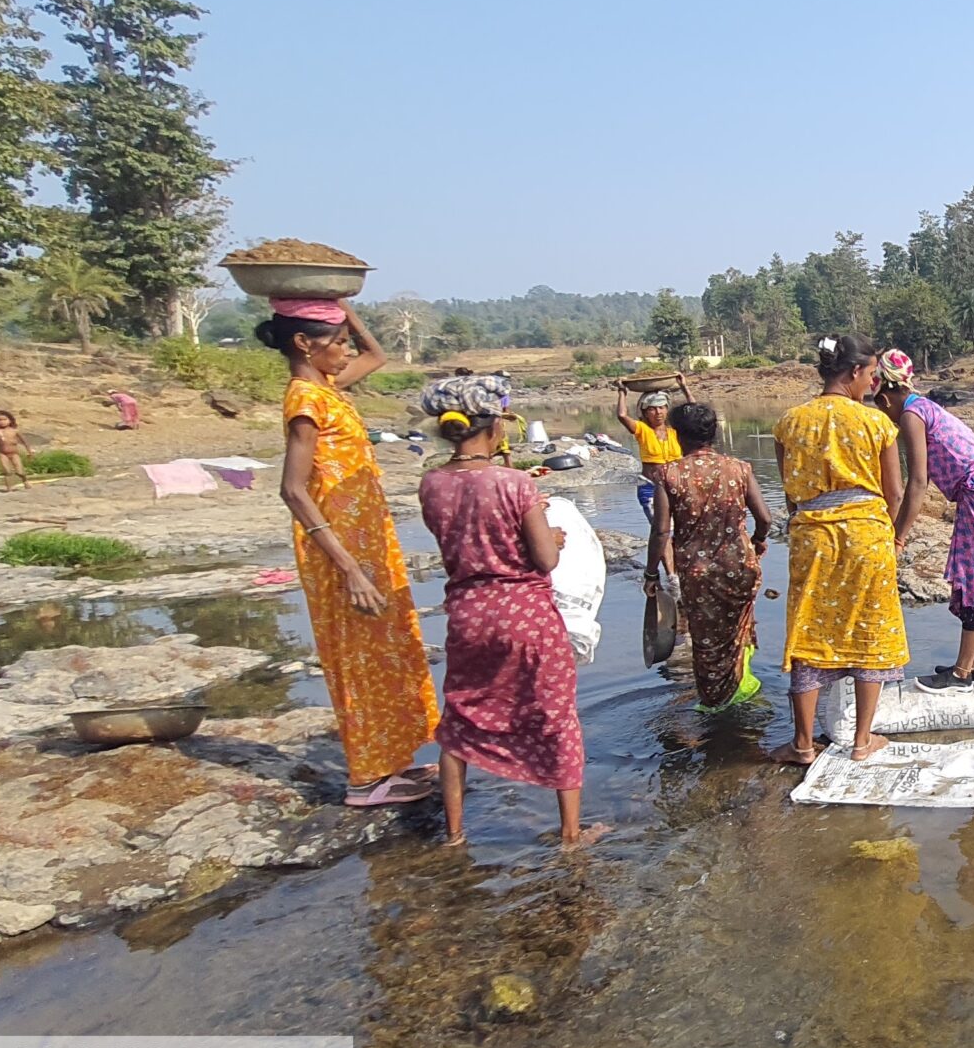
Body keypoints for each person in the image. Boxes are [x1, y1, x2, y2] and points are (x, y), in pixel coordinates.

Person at [269, 298, 441, 807]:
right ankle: (365, 781)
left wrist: (341, 307)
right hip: (339, 549)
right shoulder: (305, 400)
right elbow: (293, 490)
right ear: (303, 343)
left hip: (369, 542)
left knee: (387, 649)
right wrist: (349, 569)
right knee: (357, 658)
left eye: (344, 340)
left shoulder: (327, 389)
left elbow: (377, 355)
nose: (346, 351)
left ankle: (392, 764)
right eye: (336, 342)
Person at [415, 375, 600, 848]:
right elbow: (545, 559)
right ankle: (571, 833)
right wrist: (553, 537)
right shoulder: (515, 484)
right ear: (495, 428)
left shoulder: (431, 483)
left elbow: (465, 536)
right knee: (555, 713)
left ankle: (455, 833)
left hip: (467, 614)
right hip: (524, 613)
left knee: (460, 718)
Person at [771, 333, 912, 762]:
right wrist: (889, 535)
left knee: (809, 631)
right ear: (854, 372)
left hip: (812, 536)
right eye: (871, 375)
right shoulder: (876, 423)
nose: (872, 384)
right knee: (870, 629)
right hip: (867, 535)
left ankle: (802, 744)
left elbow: (791, 495)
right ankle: (862, 741)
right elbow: (895, 493)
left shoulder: (789, 421)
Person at [872, 349, 974, 686]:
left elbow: (918, 481)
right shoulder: (925, 406)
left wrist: (898, 537)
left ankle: (960, 673)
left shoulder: (912, 414)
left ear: (884, 396)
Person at [664, 401, 771, 711]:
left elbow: (660, 532)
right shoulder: (739, 468)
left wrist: (649, 574)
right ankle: (742, 690)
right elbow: (764, 517)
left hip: (697, 573)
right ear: (713, 433)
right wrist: (758, 541)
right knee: (737, 631)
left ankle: (716, 702)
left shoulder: (669, 474)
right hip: (738, 565)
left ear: (679, 436)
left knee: (707, 640)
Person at [616, 386, 682, 567]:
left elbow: (694, 412)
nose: (658, 412)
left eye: (662, 407)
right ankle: (671, 576)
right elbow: (622, 416)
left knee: (682, 530)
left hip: (676, 487)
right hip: (651, 488)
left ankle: (681, 571)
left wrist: (684, 386)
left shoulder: (674, 432)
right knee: (662, 532)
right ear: (644, 412)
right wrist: (622, 392)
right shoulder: (642, 430)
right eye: (652, 408)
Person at [0, 411, 32, 490]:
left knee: (19, 471)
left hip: (14, 453)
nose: (2, 422)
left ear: (10, 420)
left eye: (4, 419)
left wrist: (29, 451)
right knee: (7, 471)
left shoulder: (15, 431)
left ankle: (25, 481)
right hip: (3, 453)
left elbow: (25, 442)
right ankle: (9, 488)